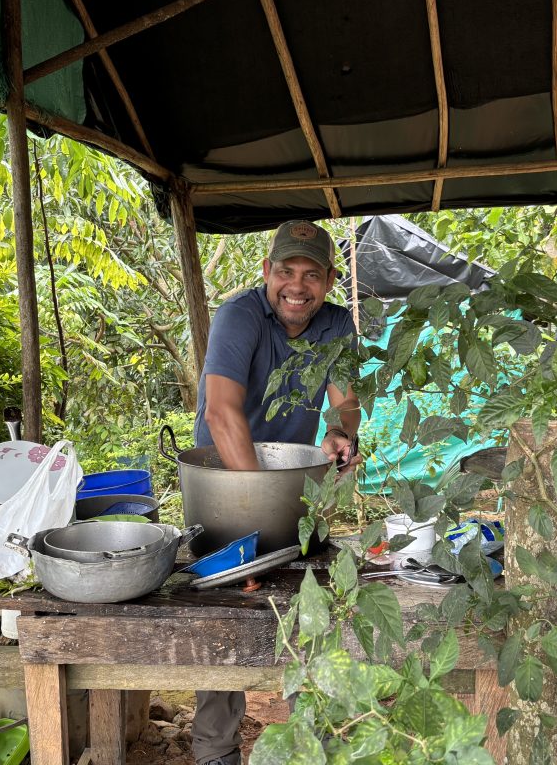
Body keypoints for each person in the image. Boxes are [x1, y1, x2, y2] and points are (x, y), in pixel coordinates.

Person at [190, 219, 362, 765]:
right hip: (222, 489)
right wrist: (252, 516)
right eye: (286, 271)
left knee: (315, 606)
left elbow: (346, 401)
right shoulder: (239, 317)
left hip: (292, 493)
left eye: (312, 275)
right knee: (222, 616)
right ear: (266, 271)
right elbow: (221, 414)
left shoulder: (337, 324)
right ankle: (216, 752)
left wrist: (340, 433)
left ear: (329, 281)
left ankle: (316, 742)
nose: (297, 286)